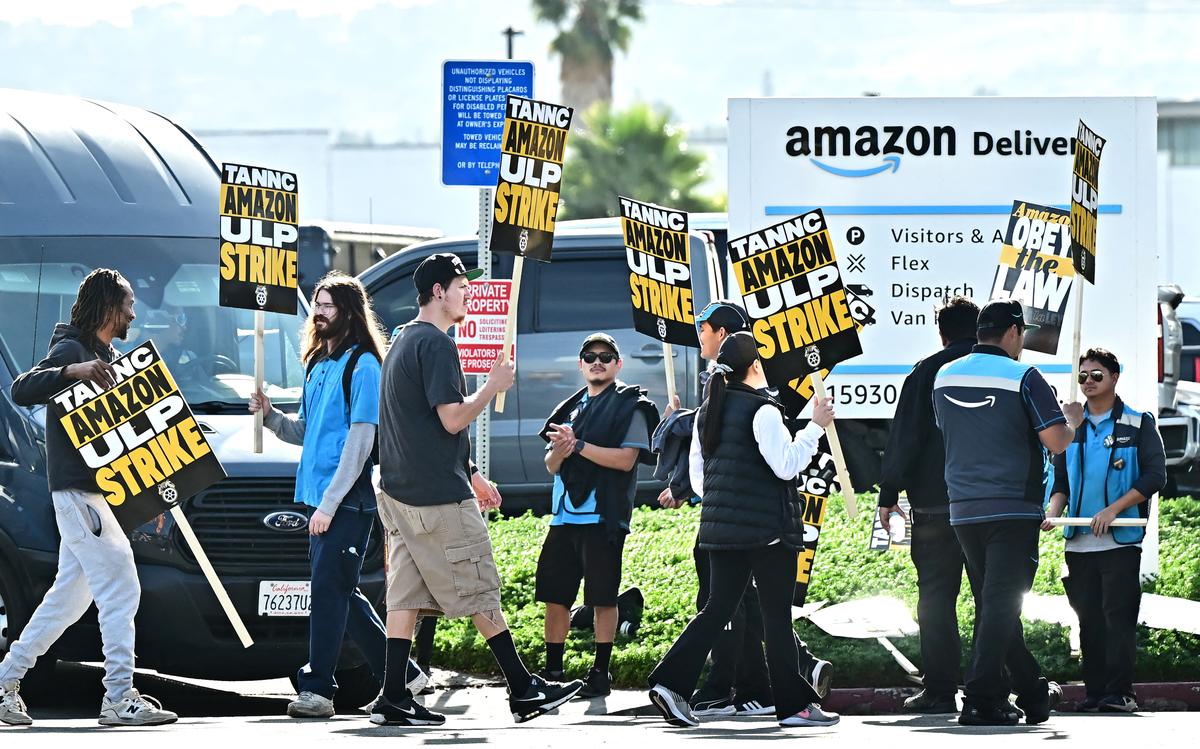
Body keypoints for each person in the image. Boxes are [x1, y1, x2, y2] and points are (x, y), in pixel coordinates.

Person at [371, 253, 583, 726]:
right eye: (461, 286)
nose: (468, 293)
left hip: (399, 494)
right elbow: (450, 418)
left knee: (404, 596)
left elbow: (418, 425)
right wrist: (491, 386)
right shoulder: (437, 345)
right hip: (436, 498)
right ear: (439, 292)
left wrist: (470, 471)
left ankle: (391, 697)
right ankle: (524, 689)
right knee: (479, 586)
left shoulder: (403, 340)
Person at [0, 269, 177, 727]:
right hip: (81, 495)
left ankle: (5, 681)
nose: (134, 314)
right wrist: (70, 371)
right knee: (122, 587)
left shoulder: (105, 355)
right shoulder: (73, 351)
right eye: (128, 305)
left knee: (69, 599)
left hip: (94, 496)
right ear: (107, 308)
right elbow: (21, 389)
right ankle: (119, 696)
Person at [249, 272, 426, 719]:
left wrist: (329, 505)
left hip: (346, 501)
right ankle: (404, 676)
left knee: (328, 594)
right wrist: (270, 416)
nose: (319, 312)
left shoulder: (364, 365)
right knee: (342, 593)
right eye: (316, 304)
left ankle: (318, 690)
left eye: (328, 305)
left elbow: (361, 441)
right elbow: (305, 433)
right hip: (316, 499)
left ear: (348, 311)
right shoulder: (316, 365)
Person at [647, 332, 840, 729]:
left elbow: (699, 483)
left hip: (719, 531)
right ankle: (794, 707)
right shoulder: (763, 410)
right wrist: (815, 426)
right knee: (776, 619)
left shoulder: (707, 410)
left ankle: (670, 683)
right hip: (768, 530)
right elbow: (786, 465)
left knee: (716, 610)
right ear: (755, 366)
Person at [932, 298, 1082, 727]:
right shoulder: (1024, 376)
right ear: (1015, 332)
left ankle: (1032, 691)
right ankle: (979, 697)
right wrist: (1069, 419)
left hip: (962, 507)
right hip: (1012, 507)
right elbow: (1057, 442)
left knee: (994, 605)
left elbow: (947, 429)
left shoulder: (944, 375)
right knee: (1000, 605)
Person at [1042, 348, 1166, 713]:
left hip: (1120, 541)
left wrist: (1113, 509)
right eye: (1083, 376)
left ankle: (1120, 693)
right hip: (1078, 542)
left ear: (1115, 377)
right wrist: (1052, 513)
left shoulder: (1137, 422)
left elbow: (1155, 475)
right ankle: (1095, 692)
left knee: (1118, 619)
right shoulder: (1070, 428)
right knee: (1088, 621)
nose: (1089, 382)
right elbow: (1060, 483)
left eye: (1097, 375)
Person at [537, 333, 659, 698]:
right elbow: (551, 464)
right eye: (590, 356)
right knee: (555, 596)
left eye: (606, 357)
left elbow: (625, 461)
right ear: (580, 364)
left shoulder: (630, 406)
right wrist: (562, 449)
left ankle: (600, 674)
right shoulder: (570, 407)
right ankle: (553, 671)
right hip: (564, 517)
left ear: (618, 364)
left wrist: (579, 445)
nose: (597, 362)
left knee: (603, 598)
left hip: (602, 516)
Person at [877, 295, 979, 714]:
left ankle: (939, 689)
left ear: (942, 332)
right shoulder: (1002, 371)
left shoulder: (925, 372)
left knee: (935, 601)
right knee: (995, 598)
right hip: (987, 508)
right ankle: (995, 684)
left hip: (935, 509)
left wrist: (888, 496)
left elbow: (905, 438)